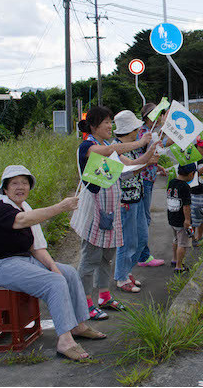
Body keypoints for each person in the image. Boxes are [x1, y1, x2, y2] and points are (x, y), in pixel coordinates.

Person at [0, 165, 106, 361]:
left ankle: (78, 325)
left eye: (24, 183)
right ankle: (65, 341)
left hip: (23, 261)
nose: (20, 187)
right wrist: (61, 207)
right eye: (15, 183)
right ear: (5, 188)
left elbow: (37, 248)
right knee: (54, 282)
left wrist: (54, 268)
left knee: (67, 273)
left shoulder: (25, 207)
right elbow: (22, 220)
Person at [71, 106, 152, 320]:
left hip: (110, 209)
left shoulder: (108, 145)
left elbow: (131, 166)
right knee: (90, 259)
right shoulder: (87, 147)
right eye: (106, 122)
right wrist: (140, 143)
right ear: (93, 126)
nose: (110, 126)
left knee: (107, 257)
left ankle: (104, 297)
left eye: (110, 121)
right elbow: (108, 153)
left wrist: (152, 151)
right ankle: (85, 303)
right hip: (93, 211)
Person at [112, 110, 161, 293]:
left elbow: (136, 166)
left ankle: (126, 271)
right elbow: (130, 167)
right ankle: (121, 277)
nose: (138, 130)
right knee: (128, 241)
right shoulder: (115, 147)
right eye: (135, 128)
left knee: (141, 238)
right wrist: (149, 154)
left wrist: (149, 157)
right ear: (131, 130)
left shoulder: (130, 145)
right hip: (126, 201)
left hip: (137, 197)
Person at [136, 103, 171, 268]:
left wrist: (157, 166)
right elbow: (141, 157)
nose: (160, 116)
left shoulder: (148, 132)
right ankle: (142, 256)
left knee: (144, 218)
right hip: (143, 180)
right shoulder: (144, 133)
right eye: (157, 114)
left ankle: (141, 255)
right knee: (144, 219)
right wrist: (153, 161)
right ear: (149, 116)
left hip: (148, 179)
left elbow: (150, 154)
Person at [167, 163, 197, 273]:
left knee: (175, 239)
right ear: (190, 174)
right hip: (182, 220)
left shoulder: (172, 182)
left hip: (172, 217)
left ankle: (174, 259)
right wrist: (188, 220)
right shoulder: (185, 187)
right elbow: (186, 206)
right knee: (182, 243)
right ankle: (179, 266)